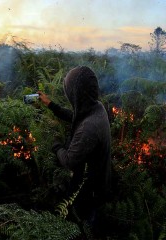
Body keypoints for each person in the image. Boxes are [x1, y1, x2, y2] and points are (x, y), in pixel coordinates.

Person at [38, 66, 111, 229]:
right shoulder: (96, 108)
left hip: (89, 192)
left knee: (82, 224)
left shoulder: (89, 128)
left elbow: (69, 161)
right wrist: (51, 105)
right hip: (96, 182)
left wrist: (56, 145)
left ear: (76, 94)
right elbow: (75, 116)